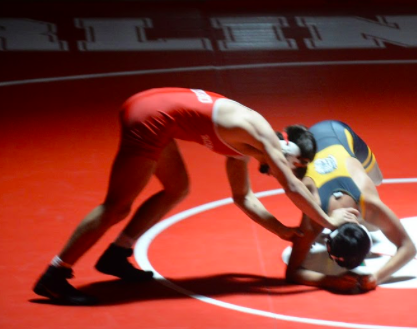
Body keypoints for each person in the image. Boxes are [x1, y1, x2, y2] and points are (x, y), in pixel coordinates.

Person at [33, 88, 358, 305]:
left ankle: (117, 255)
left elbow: (243, 197)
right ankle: (56, 274)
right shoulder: (260, 134)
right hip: (150, 118)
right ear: (287, 148)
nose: (288, 172)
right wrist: (329, 222)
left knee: (177, 188)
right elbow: (291, 187)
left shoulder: (244, 147)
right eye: (296, 165)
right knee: (116, 206)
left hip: (156, 113)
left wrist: (282, 232)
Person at [285, 120, 417, 294]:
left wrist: (376, 277)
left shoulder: (370, 204)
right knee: (375, 222)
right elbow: (291, 273)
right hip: (317, 139)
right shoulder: (314, 211)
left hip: (338, 133)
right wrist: (329, 281)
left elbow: (409, 247)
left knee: (377, 181)